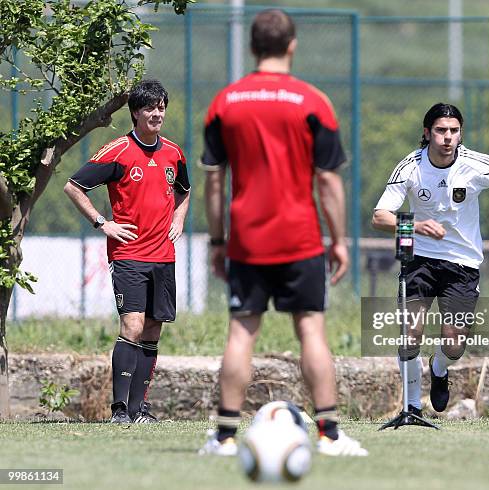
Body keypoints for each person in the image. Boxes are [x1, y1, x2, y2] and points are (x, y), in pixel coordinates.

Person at [199, 9, 367, 457]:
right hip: (300, 238)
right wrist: (340, 240)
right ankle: (330, 436)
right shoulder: (314, 102)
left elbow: (214, 179)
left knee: (240, 333)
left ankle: (225, 438)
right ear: (292, 46)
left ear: (253, 47)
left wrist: (218, 241)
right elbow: (328, 180)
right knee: (311, 329)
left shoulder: (225, 102)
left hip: (247, 240)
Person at [372, 102, 489, 416]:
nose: (447, 137)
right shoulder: (410, 167)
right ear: (427, 133)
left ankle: (440, 368)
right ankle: (412, 408)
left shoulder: (473, 164)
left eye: (454, 131)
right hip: (418, 258)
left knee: (455, 344)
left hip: (463, 263)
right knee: (409, 331)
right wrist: (414, 226)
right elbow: (379, 217)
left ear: (460, 134)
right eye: (441, 131)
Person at [64, 79, 191, 423]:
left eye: (161, 107)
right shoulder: (117, 151)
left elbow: (184, 190)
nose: (157, 114)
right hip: (129, 255)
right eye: (150, 108)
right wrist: (102, 223)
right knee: (132, 326)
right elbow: (73, 187)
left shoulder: (173, 153)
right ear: (136, 113)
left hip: (163, 256)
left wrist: (178, 219)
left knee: (152, 329)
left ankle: (140, 410)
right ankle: (119, 410)